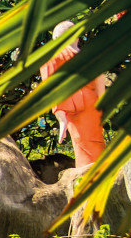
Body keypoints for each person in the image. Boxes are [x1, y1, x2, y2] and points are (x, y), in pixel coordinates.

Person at [39, 20, 108, 166]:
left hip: (76, 106)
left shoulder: (55, 56)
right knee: (95, 141)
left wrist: (60, 115)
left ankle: (90, 177)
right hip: (93, 103)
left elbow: (52, 86)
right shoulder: (90, 56)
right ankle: (101, 171)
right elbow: (100, 79)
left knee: (83, 144)